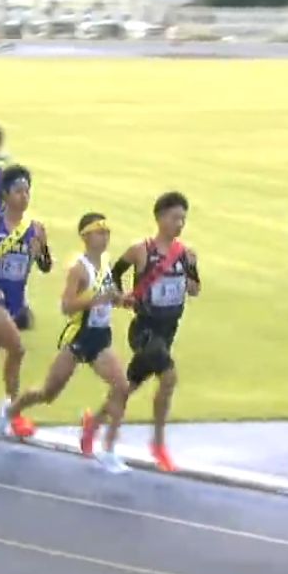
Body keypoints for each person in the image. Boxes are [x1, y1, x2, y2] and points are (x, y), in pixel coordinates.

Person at [0, 213, 133, 472]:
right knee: (48, 393)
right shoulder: (78, 269)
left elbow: (109, 296)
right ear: (86, 236)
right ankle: (11, 410)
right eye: (99, 232)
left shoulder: (105, 262)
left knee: (122, 387)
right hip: (78, 336)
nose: (105, 236)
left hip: (100, 336)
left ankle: (107, 447)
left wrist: (122, 299)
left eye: (107, 232)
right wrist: (97, 299)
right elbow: (67, 306)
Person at [82, 191, 199, 473]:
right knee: (169, 377)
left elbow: (195, 289)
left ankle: (93, 423)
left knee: (128, 386)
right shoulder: (141, 250)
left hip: (168, 330)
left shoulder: (185, 254)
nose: (180, 224)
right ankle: (158, 444)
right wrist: (122, 296)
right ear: (160, 218)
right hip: (144, 330)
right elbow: (113, 274)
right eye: (175, 218)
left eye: (183, 219)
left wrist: (191, 273)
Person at [0, 165, 52, 437]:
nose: (24, 196)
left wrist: (39, 253)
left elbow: (46, 266)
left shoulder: (36, 229)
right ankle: (12, 411)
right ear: (5, 194)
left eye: (27, 191)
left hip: (16, 302)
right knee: (17, 349)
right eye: (19, 191)